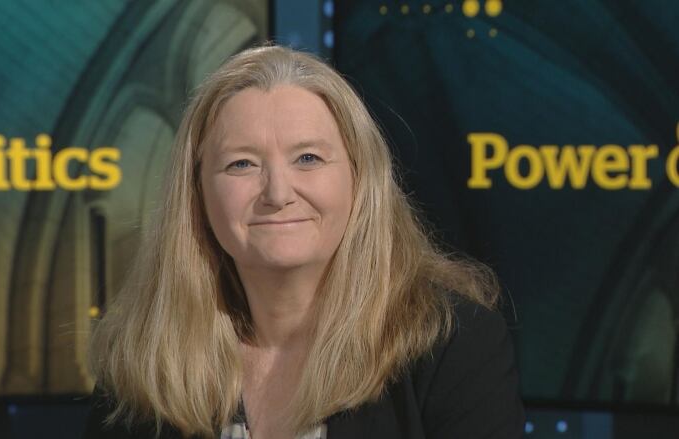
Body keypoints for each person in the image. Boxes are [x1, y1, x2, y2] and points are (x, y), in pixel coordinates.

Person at [83, 44, 524, 439]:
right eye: (241, 164)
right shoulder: (144, 360)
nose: (278, 193)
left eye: (308, 158)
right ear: (196, 193)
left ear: (359, 178)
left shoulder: (454, 347)